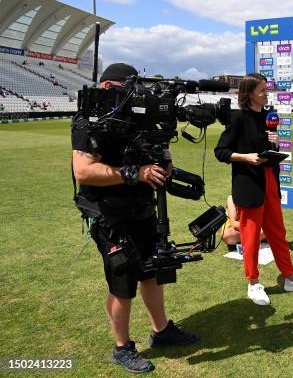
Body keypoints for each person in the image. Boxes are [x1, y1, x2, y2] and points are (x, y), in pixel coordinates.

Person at [71, 63, 198, 374]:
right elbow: (84, 171)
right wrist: (134, 173)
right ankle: (122, 347)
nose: (134, 95)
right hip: (109, 215)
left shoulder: (143, 120)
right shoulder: (90, 121)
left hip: (143, 209)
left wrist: (163, 161)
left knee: (151, 273)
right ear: (106, 88)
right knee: (122, 282)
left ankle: (161, 330)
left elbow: (162, 165)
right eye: (127, 88)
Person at [215, 73, 293, 306]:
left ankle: (290, 277)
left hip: (271, 181)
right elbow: (221, 151)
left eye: (266, 89)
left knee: (277, 233)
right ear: (249, 93)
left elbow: (267, 150)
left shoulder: (270, 116)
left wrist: (275, 145)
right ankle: (253, 283)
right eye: (261, 90)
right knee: (250, 237)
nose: (266, 93)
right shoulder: (238, 117)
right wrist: (245, 157)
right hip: (249, 185)